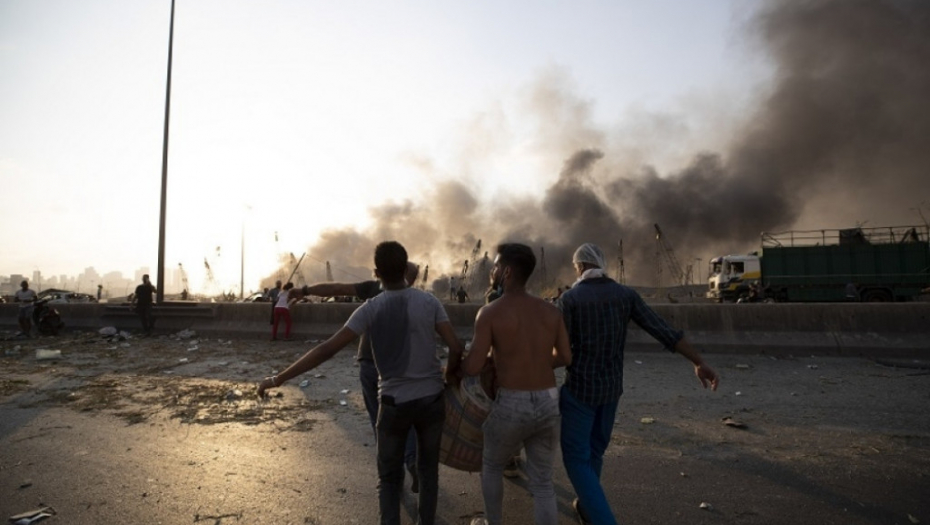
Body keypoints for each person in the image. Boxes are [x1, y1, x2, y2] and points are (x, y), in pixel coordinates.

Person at [259, 241, 464, 525]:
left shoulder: (370, 308)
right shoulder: (429, 303)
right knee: (429, 473)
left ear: (376, 273)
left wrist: (278, 378)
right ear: (405, 269)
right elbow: (455, 345)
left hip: (393, 403)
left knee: (389, 480)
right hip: (431, 399)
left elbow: (326, 350)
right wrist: (451, 374)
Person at [558, 243, 719, 525]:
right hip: (611, 391)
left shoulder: (570, 299)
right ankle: (587, 506)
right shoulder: (625, 295)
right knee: (595, 451)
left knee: (575, 458)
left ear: (580, 266)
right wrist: (698, 361)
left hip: (580, 391)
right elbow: (663, 331)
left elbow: (561, 351)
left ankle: (601, 518)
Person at [448, 243, 571, 525]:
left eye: (495, 267)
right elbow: (565, 357)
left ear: (506, 272)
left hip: (511, 404)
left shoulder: (490, 312)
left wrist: (456, 367)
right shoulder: (551, 311)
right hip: (548, 401)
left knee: (492, 466)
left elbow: (474, 366)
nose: (491, 271)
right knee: (543, 482)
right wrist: (535, 363)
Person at [300, 261, 422, 492]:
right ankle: (411, 459)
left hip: (370, 363)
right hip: (400, 367)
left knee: (380, 421)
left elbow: (336, 288)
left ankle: (390, 475)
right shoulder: (416, 299)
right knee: (407, 417)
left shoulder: (374, 289)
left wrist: (305, 290)